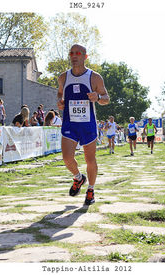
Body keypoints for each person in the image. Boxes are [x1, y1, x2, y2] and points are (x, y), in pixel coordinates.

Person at [57, 44, 110, 205]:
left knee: (90, 159)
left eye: (78, 53)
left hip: (88, 125)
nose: (74, 56)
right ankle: (79, 178)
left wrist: (98, 98)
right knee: (67, 158)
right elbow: (60, 93)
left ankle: (91, 190)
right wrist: (59, 102)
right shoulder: (63, 77)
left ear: (85, 57)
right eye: (71, 53)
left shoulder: (94, 77)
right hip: (70, 124)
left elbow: (106, 98)